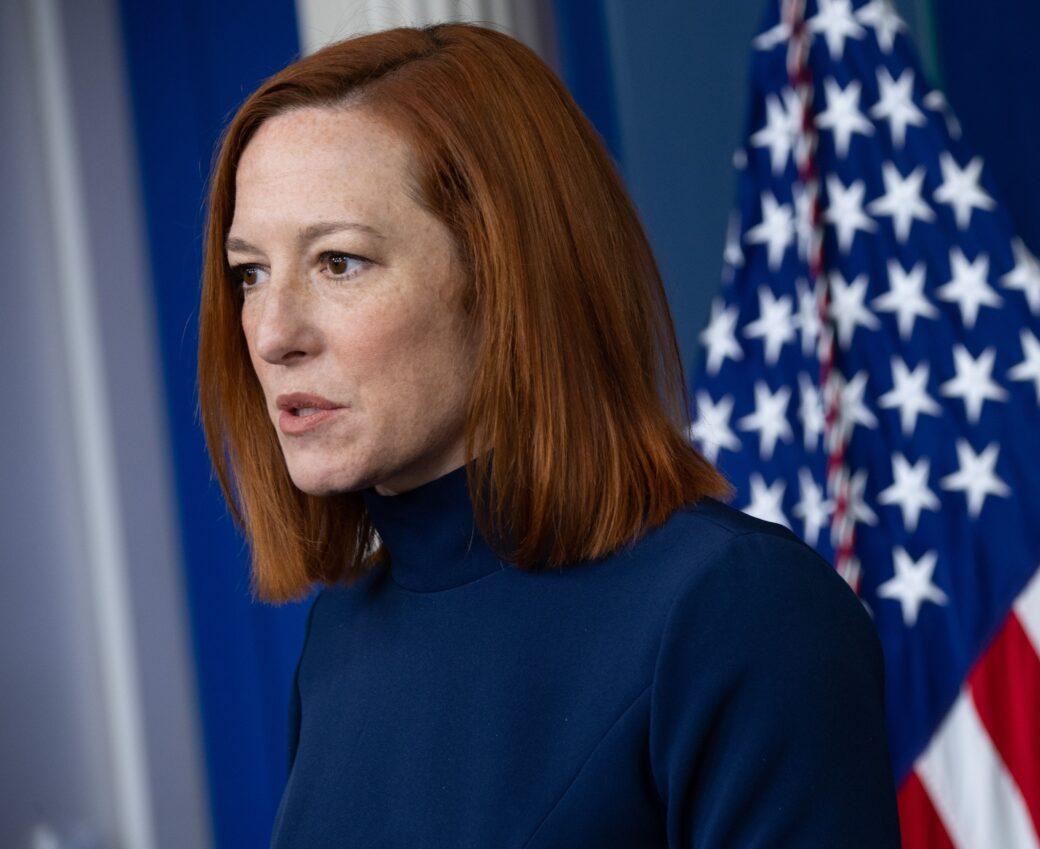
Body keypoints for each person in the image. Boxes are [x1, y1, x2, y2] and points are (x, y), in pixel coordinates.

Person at [196, 21, 901, 848]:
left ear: (506, 276)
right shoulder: (340, 636)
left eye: (339, 262)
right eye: (250, 272)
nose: (272, 331)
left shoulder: (736, 607)